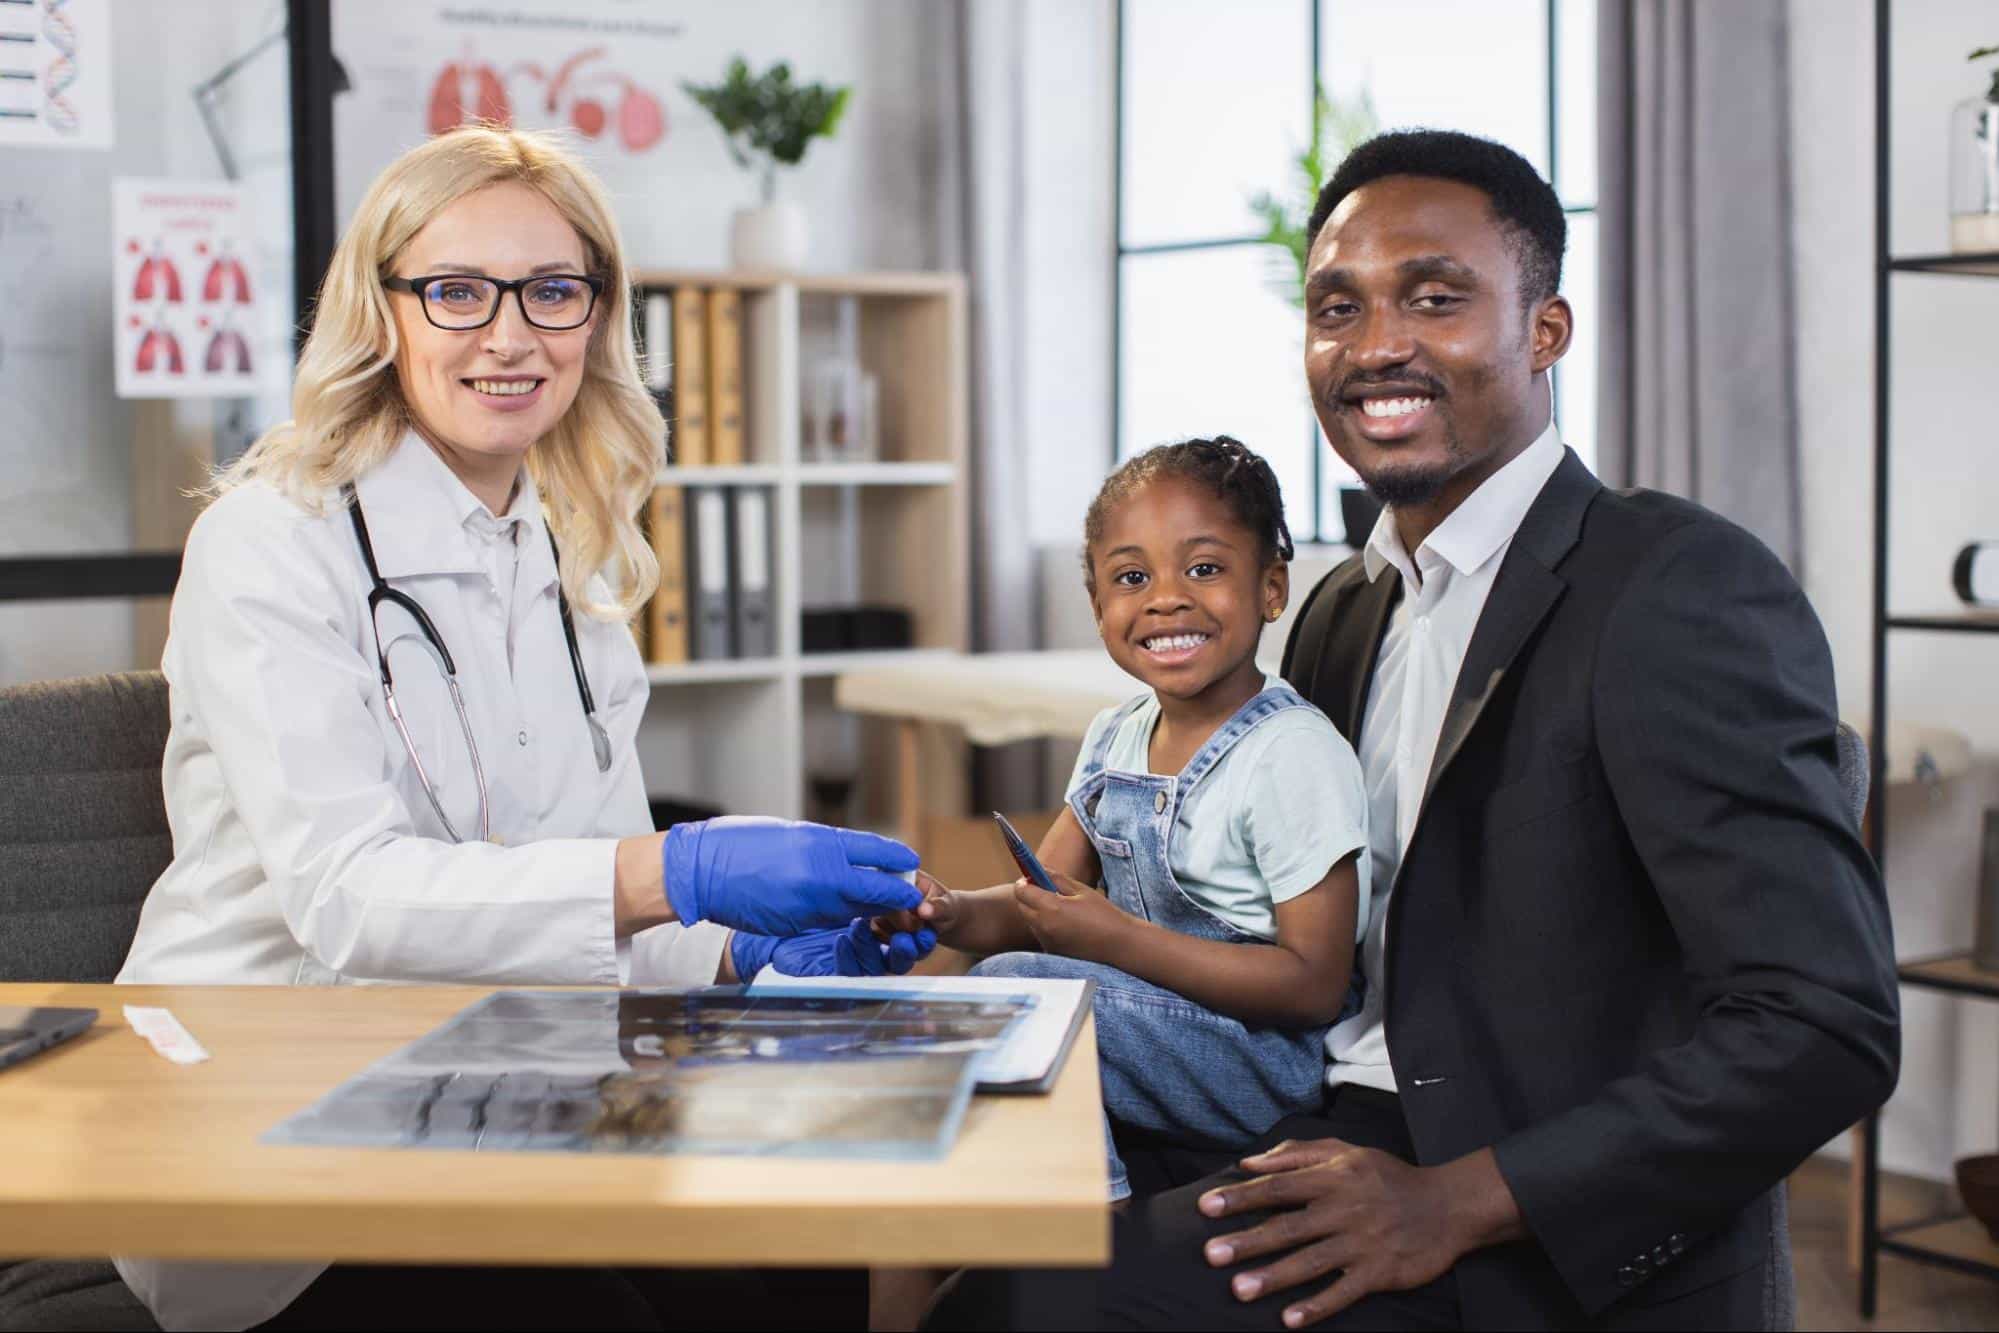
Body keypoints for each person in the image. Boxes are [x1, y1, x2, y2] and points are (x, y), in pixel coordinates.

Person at [926, 129, 1899, 1331]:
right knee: (919, 1237)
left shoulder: (1677, 586)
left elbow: (1825, 1027)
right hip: (1310, 1110)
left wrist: (1453, 1201)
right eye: (1337, 306)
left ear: (1544, 331)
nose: (1377, 342)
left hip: (1507, 1208)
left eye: (1434, 298)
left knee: (1020, 1311)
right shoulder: (1344, 604)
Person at [113, 125, 930, 1331]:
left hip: (493, 1089)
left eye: (553, 291)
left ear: (599, 316)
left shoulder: (567, 545)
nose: (510, 336)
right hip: (270, 1119)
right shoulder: (271, 541)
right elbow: (352, 898)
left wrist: (736, 959)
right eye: (455, 292)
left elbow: (575, 878)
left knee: (800, 1277)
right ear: (381, 312)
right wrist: (681, 867)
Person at [907, 437, 1368, 1202]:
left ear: (1271, 587)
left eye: (1205, 568)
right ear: (1098, 606)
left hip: (1258, 1061)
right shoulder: (1115, 735)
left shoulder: (1291, 754)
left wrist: (1116, 938)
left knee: (1016, 996)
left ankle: (1100, 1229)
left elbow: (1313, 986)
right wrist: (944, 911)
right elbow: (1038, 905)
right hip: (1148, 1029)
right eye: (1131, 577)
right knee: (943, 999)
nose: (1165, 597)